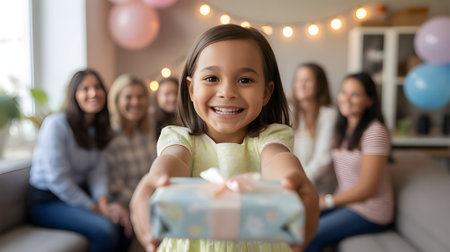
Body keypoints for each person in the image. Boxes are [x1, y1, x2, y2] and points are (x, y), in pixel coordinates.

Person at [130, 24, 319, 252]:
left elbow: (277, 159)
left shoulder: (269, 137)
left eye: (245, 80)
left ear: (267, 92)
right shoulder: (181, 139)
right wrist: (156, 179)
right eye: (211, 78)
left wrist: (292, 178)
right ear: (191, 89)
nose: (227, 92)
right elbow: (173, 161)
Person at [28, 69, 131, 252]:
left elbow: (97, 171)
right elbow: (58, 179)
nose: (93, 93)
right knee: (105, 229)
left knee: (123, 220)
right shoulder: (55, 125)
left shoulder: (96, 128)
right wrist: (94, 208)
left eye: (97, 87)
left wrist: (103, 203)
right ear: (74, 95)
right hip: (47, 201)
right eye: (85, 88)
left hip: (79, 194)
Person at [304, 72, 394, 251]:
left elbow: (368, 188)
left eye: (356, 94)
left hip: (370, 211)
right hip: (348, 203)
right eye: (344, 92)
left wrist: (328, 201)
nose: (347, 99)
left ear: (369, 101)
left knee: (307, 235)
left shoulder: (374, 132)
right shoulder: (343, 128)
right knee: (296, 221)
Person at [106, 74, 156, 233]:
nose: (135, 102)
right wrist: (143, 203)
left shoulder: (146, 132)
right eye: (128, 97)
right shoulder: (109, 136)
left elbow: (154, 171)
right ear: (117, 101)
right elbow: (115, 186)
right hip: (126, 203)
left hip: (150, 200)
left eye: (140, 97)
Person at [291, 63, 337, 194]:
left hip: (319, 188)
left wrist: (298, 179)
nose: (301, 84)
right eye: (298, 80)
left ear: (319, 85)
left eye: (307, 80)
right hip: (292, 183)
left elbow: (323, 159)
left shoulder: (328, 115)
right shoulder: (289, 112)